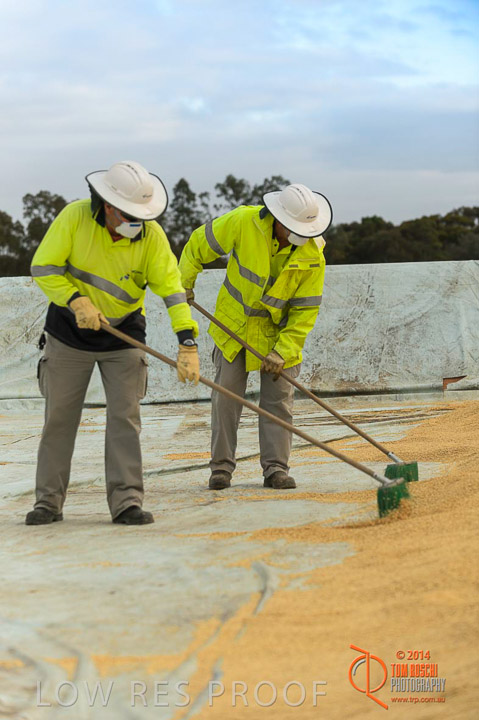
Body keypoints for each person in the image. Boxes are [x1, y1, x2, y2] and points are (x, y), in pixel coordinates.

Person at [26, 160, 200, 526]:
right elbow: (43, 268)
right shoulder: (73, 218)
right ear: (107, 206)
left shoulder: (151, 237)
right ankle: (48, 502)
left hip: (123, 335)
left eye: (142, 216)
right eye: (129, 215)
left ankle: (126, 502)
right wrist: (76, 300)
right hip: (69, 333)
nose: (137, 223)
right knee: (59, 419)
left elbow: (172, 290)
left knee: (125, 419)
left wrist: (187, 341)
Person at [179, 183, 331, 490]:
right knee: (226, 398)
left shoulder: (313, 255)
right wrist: (183, 284)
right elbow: (197, 245)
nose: (300, 236)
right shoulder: (242, 222)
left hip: (279, 336)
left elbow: (304, 312)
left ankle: (276, 469)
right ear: (278, 219)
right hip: (235, 327)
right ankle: (221, 468)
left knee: (278, 402)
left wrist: (283, 351)